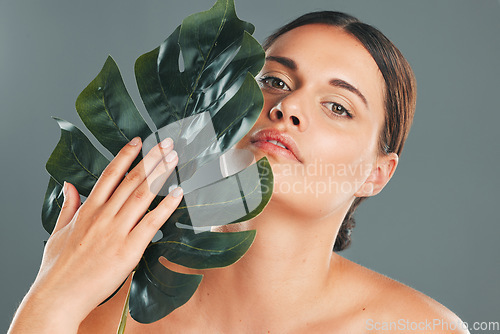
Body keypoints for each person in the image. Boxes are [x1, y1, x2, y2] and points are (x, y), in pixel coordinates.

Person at [9, 11, 469, 334]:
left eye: (337, 106)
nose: (287, 107)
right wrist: (54, 295)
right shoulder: (104, 308)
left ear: (377, 174)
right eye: (273, 82)